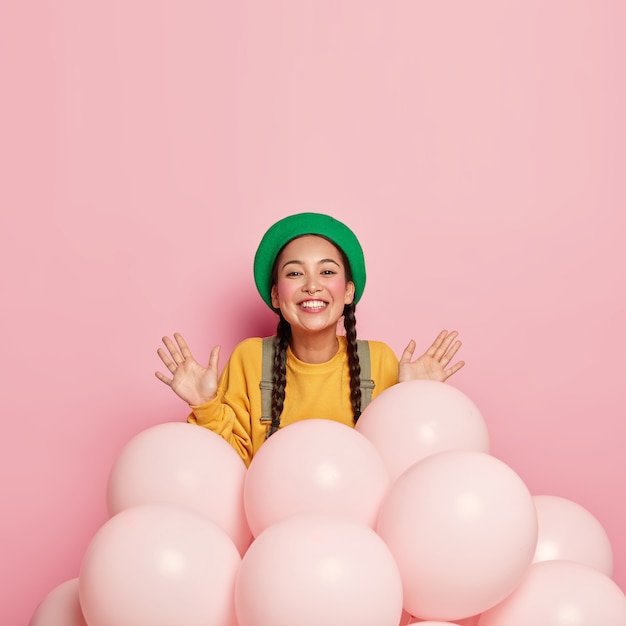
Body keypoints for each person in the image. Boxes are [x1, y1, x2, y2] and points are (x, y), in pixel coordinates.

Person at [156, 212, 464, 466]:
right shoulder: (250, 360)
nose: (312, 286)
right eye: (294, 274)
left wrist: (415, 399)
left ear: (348, 291)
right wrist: (205, 405)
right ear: (276, 294)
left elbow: (400, 468)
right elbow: (228, 468)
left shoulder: (380, 361)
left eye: (327, 272)